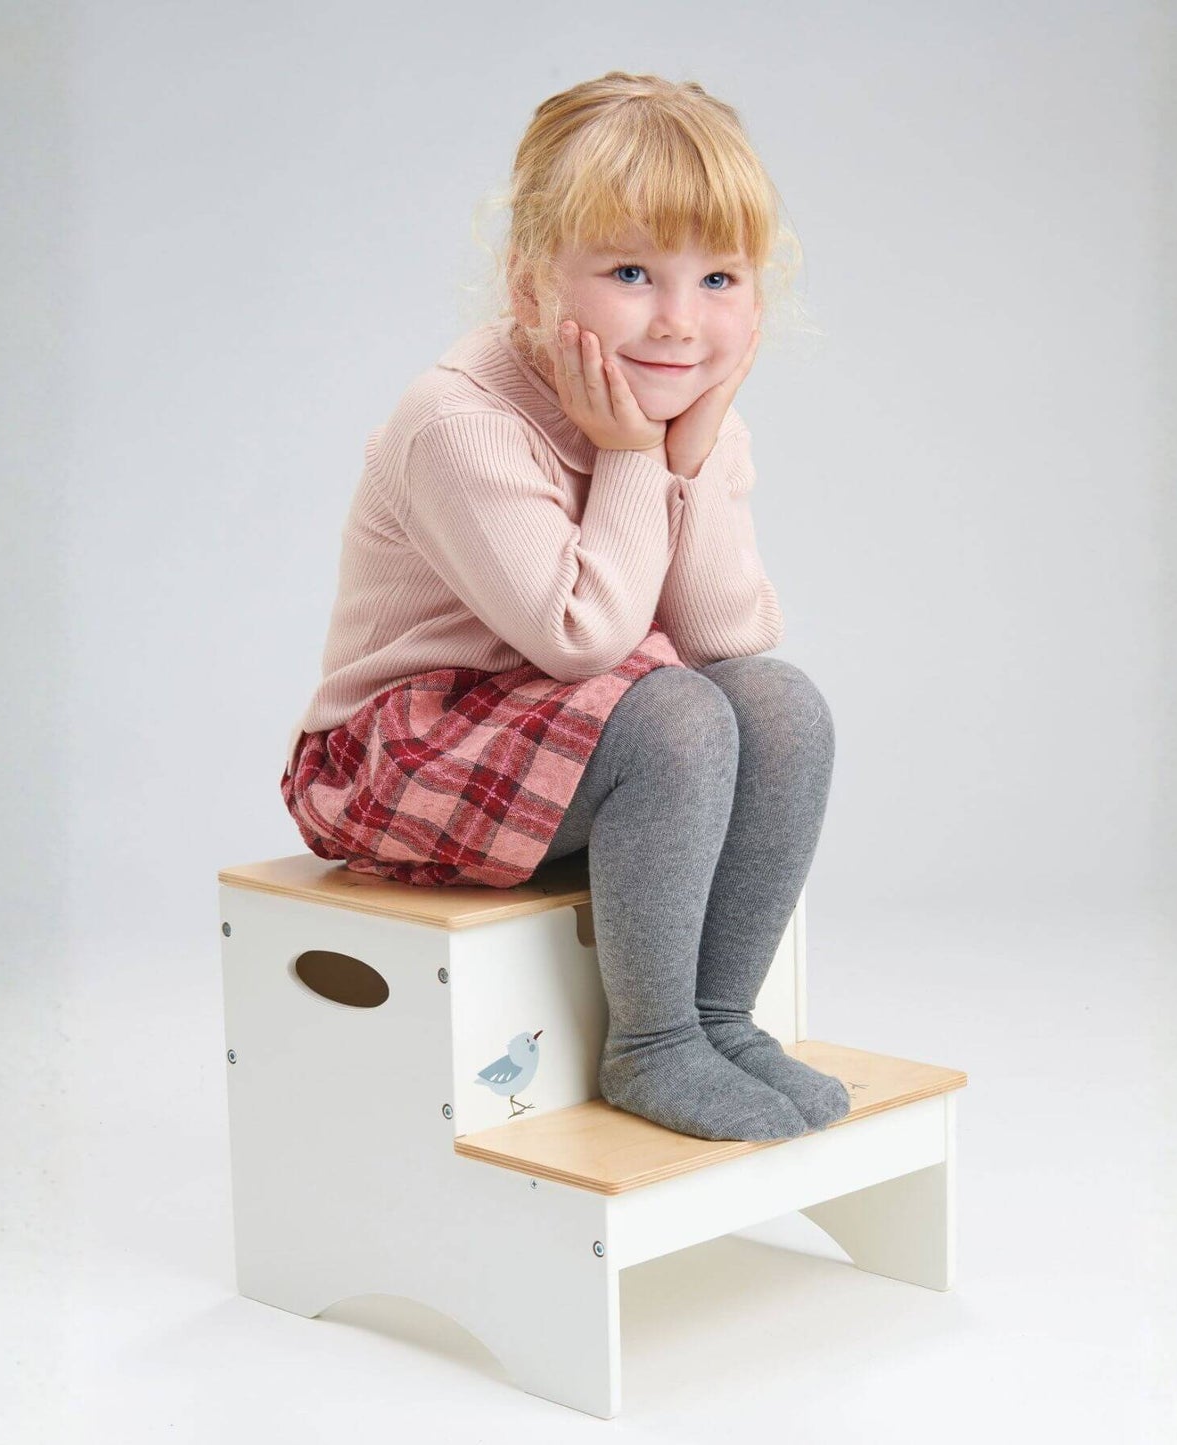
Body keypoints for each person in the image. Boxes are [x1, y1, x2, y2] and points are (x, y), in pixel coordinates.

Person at [280, 71, 845, 1143]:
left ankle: (720, 1019)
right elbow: (580, 637)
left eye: (719, 278)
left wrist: (691, 452)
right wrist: (636, 457)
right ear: (532, 281)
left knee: (779, 704)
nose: (680, 322)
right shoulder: (462, 419)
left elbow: (725, 631)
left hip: (570, 729)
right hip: (397, 753)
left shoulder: (683, 412)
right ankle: (654, 1041)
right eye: (631, 271)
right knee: (677, 716)